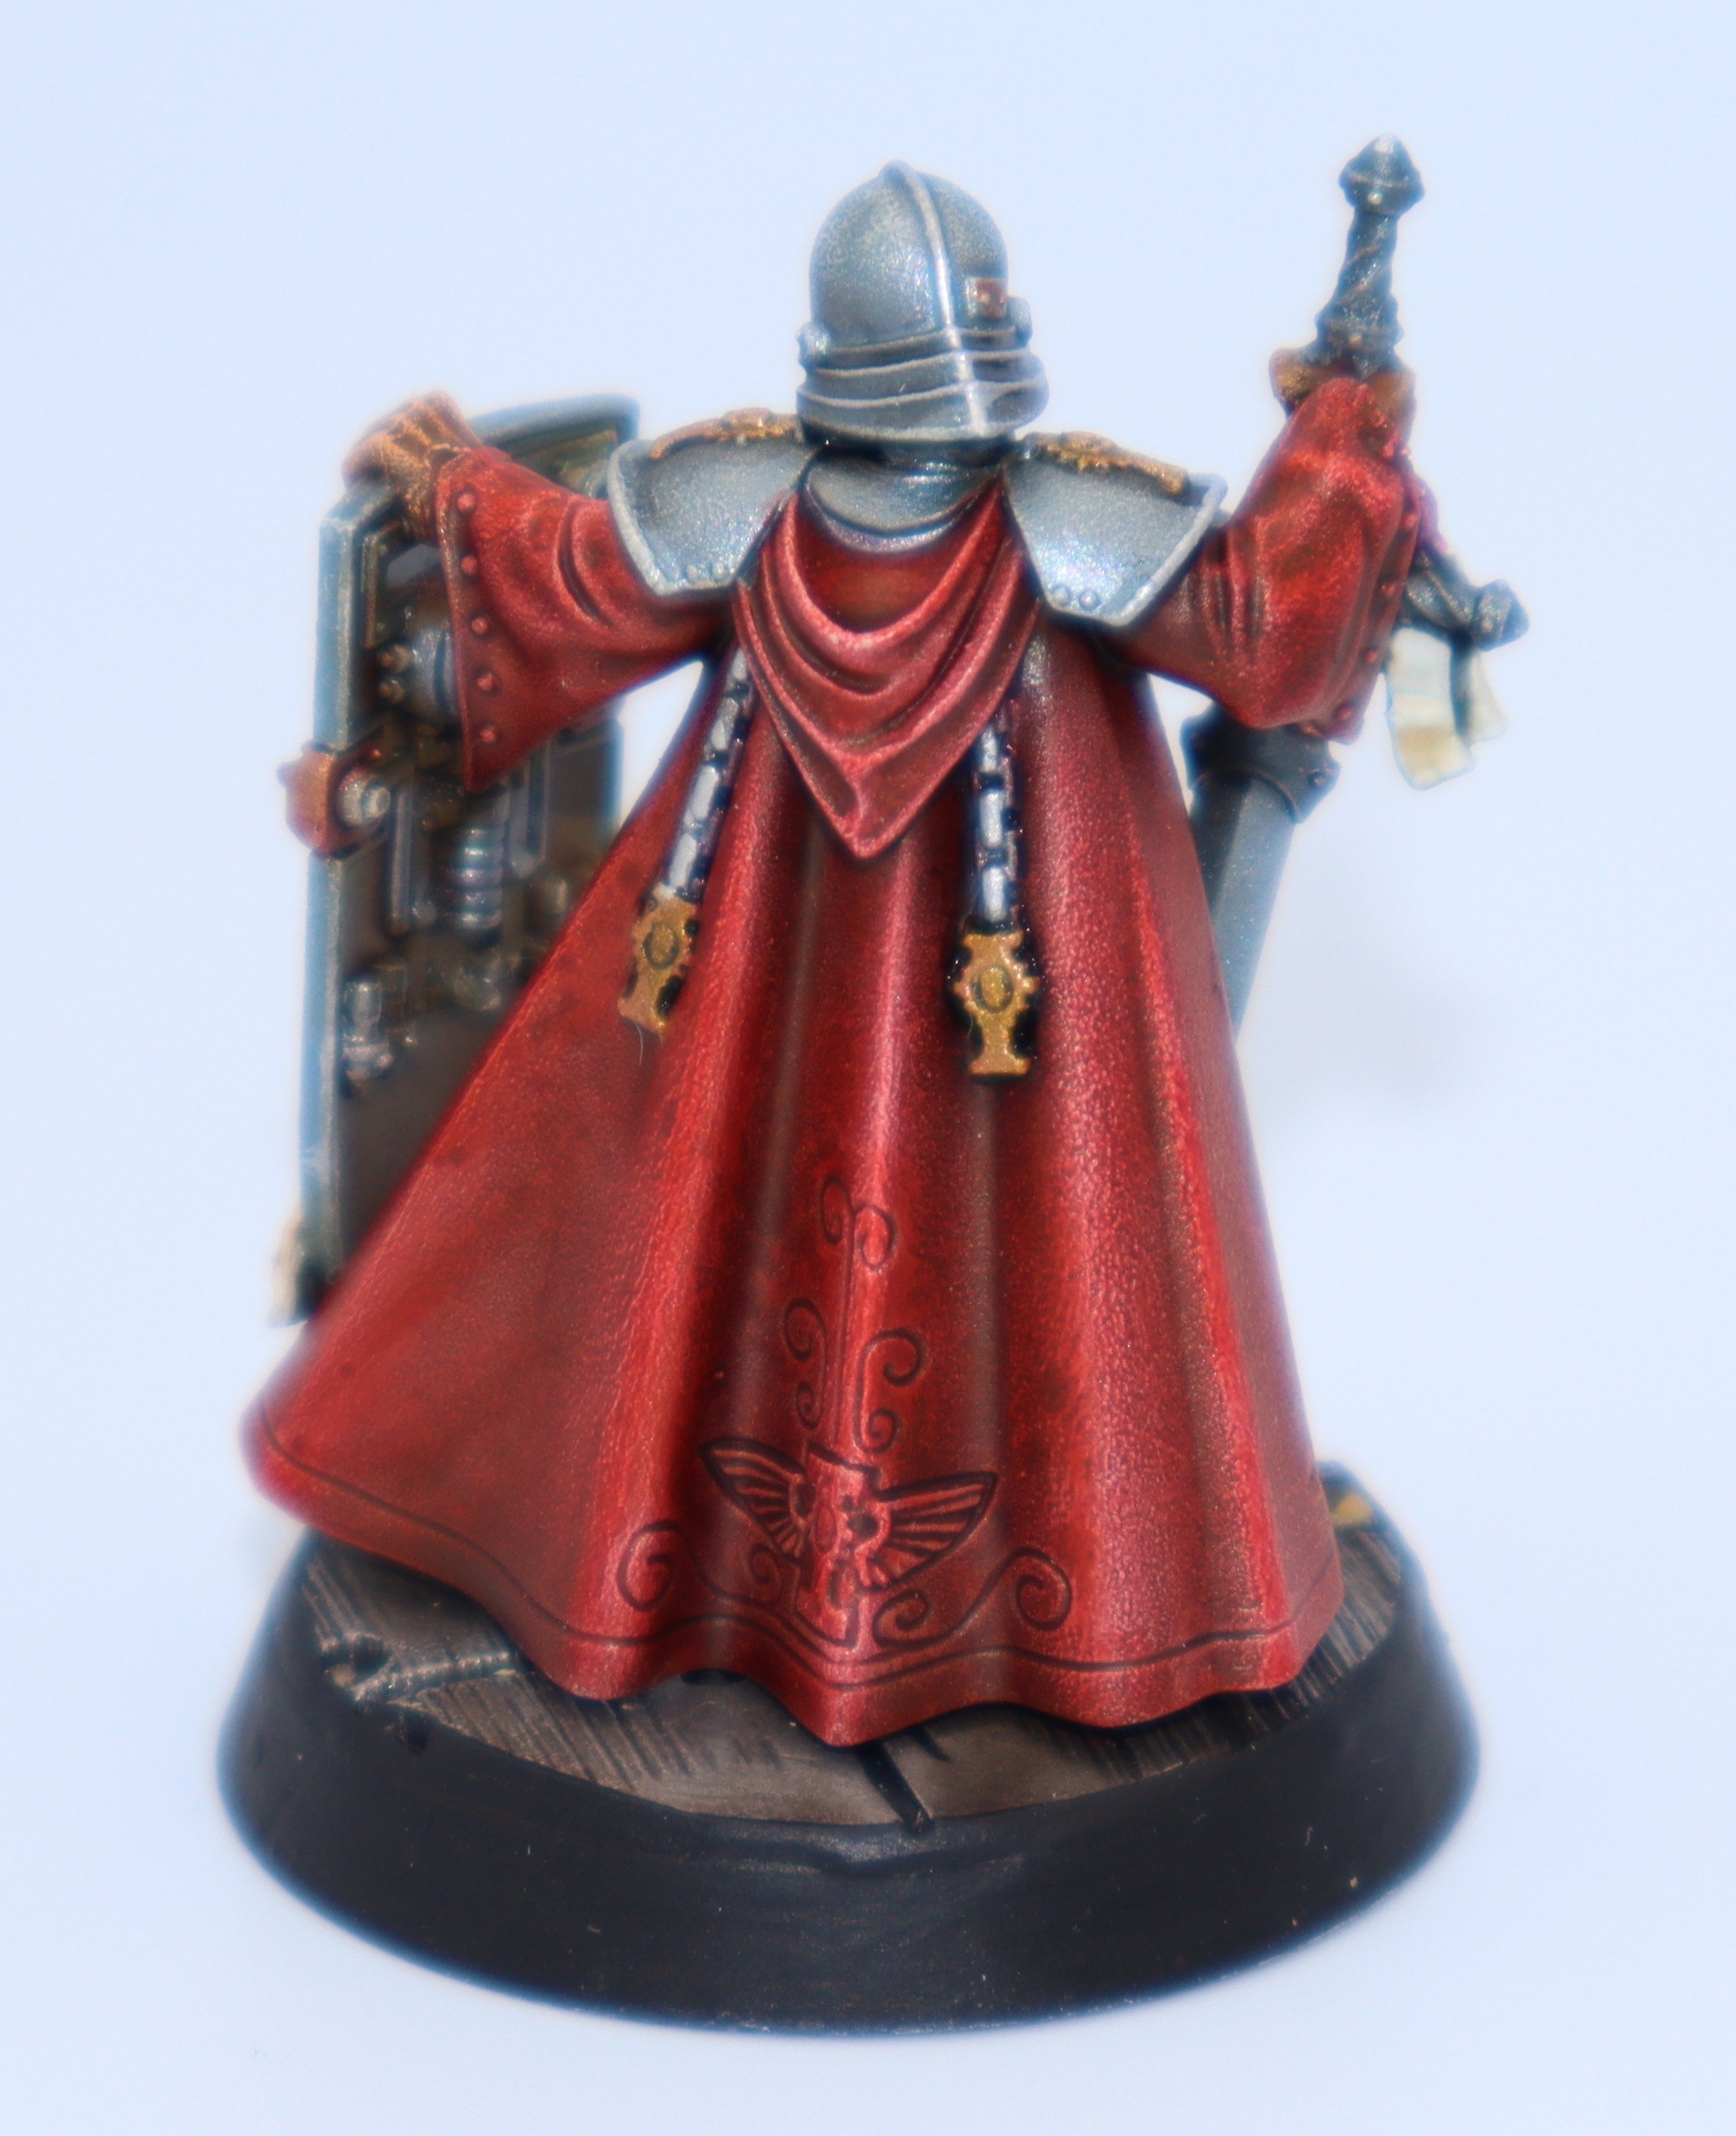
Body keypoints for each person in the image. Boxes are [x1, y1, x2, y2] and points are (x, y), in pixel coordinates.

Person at [250, 164, 1421, 1747]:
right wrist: (1344, 429)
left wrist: (458, 483)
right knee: (1020, 1249)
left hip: (795, 997)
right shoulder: (1083, 525)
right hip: (1008, 1025)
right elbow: (1275, 620)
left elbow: (572, 578)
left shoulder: (744, 505)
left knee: (721, 1229)